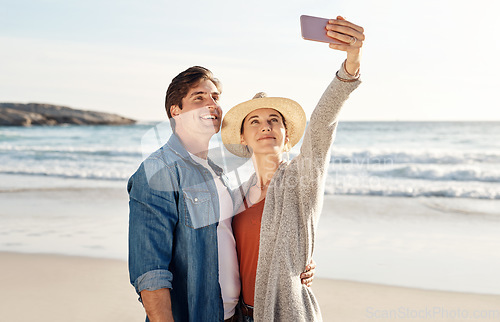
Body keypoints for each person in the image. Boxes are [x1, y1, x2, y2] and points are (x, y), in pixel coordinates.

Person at [128, 66, 315, 322]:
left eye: (215, 97)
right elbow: (150, 271)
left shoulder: (218, 174)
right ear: (176, 111)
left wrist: (296, 263)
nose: (211, 105)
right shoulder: (158, 171)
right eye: (199, 97)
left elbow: (239, 238)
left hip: (235, 315)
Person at [221, 16, 364, 321]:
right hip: (236, 316)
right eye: (255, 122)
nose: (266, 127)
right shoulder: (234, 195)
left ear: (287, 136)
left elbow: (322, 126)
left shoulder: (302, 179)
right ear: (244, 138)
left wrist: (349, 67)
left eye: (274, 120)